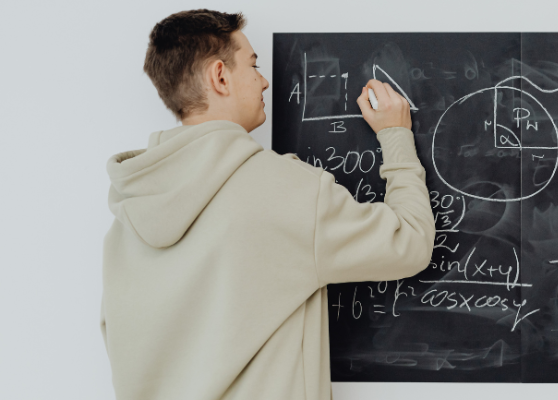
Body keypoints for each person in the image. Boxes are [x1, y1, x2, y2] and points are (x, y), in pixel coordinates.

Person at [101, 9, 434, 400]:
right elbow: (410, 242)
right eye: (253, 65)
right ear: (219, 76)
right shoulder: (285, 191)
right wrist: (396, 136)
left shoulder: (127, 219)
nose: (264, 80)